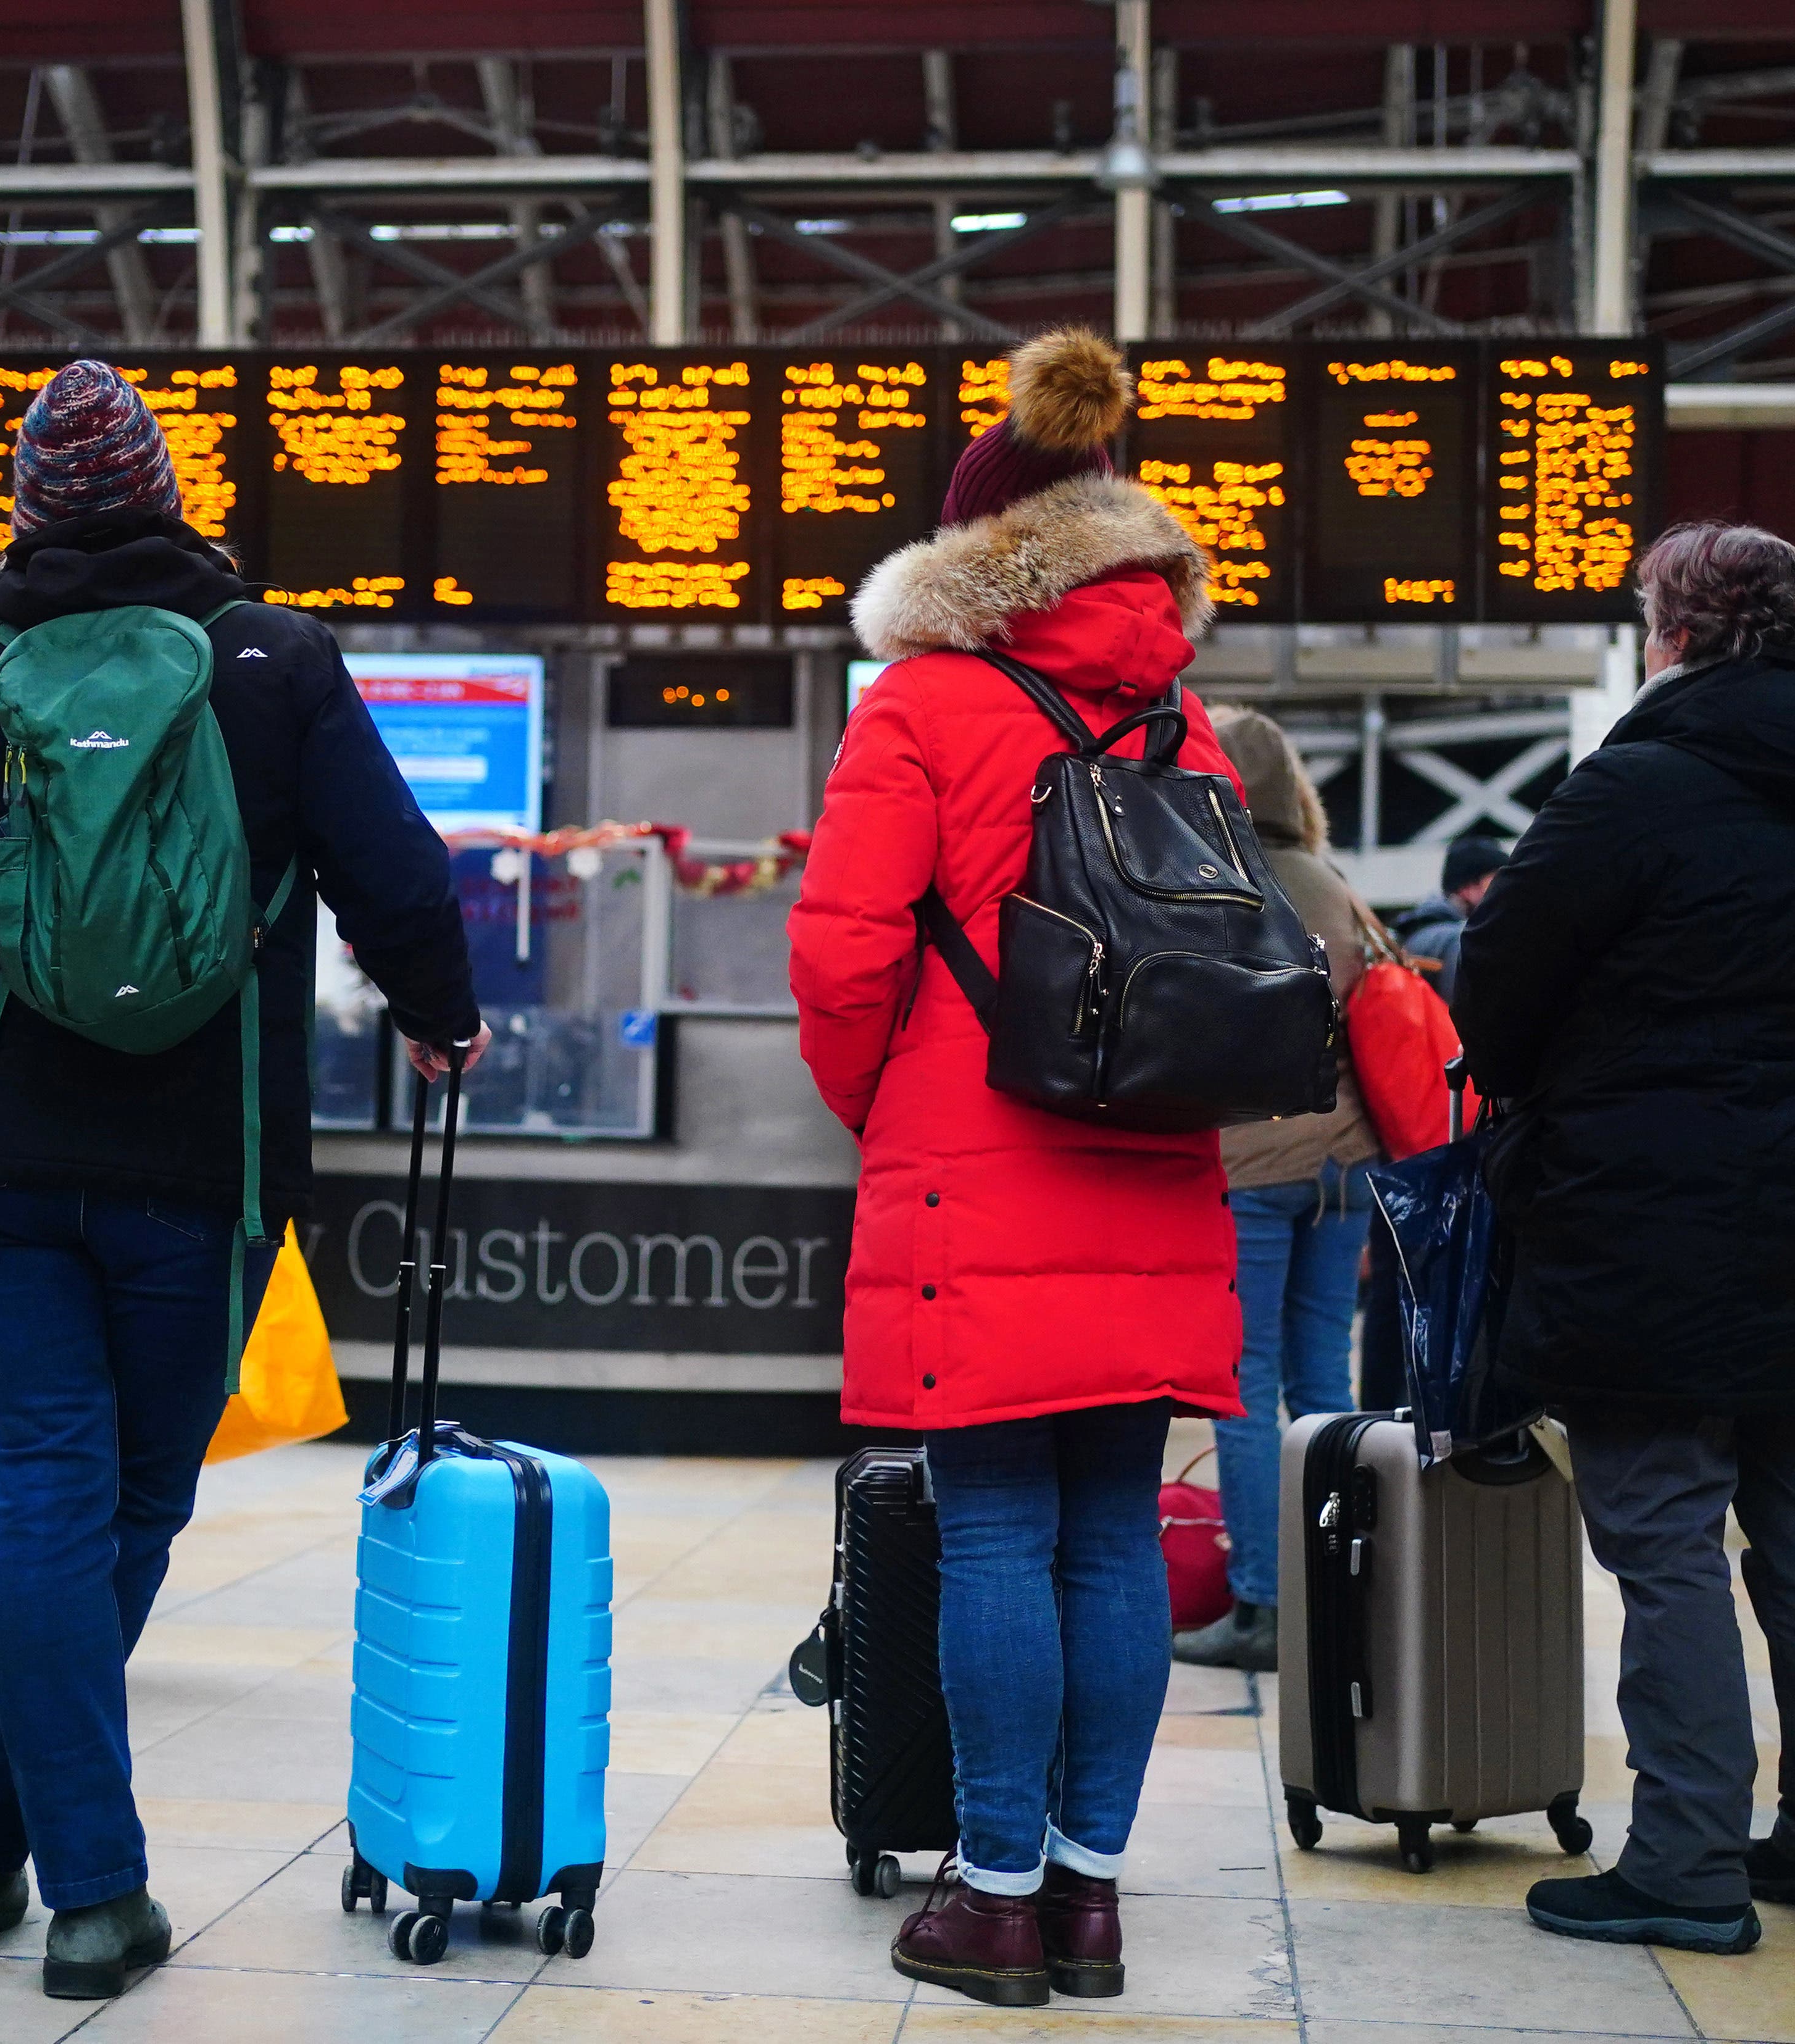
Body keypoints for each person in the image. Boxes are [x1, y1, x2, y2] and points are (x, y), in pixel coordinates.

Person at [0, 358, 483, 2003]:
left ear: (25, 512)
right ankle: (94, 1887)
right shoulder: (272, 660)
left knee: (48, 1475)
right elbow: (393, 876)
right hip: (204, 1163)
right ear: (174, 498)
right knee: (129, 1499)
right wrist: (441, 1016)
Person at [791, 327, 1242, 2009]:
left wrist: (887, 1103)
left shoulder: (918, 703)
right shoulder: (1180, 728)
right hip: (1150, 1157)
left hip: (966, 1163)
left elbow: (841, 953)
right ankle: (1088, 1891)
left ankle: (988, 1896)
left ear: (962, 557)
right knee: (1111, 1528)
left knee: (987, 1524)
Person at [1454, 522, 1795, 1958]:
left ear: (1679, 638)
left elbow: (1495, 985)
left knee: (1661, 1527)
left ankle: (1688, 1859)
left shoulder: (1633, 785)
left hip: (1644, 1211)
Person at [1170, 707, 1378, 1675]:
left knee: (1243, 1385)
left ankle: (1260, 1603)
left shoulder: (1215, 884)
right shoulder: (1333, 887)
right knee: (1323, 1383)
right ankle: (1335, 1594)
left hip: (1253, 1166)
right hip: (1347, 1165)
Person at [1387, 833, 1506, 1002]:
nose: (1503, 891)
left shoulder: (1415, 931)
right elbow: (1463, 1013)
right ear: (1468, 887)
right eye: (1495, 881)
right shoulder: (1461, 938)